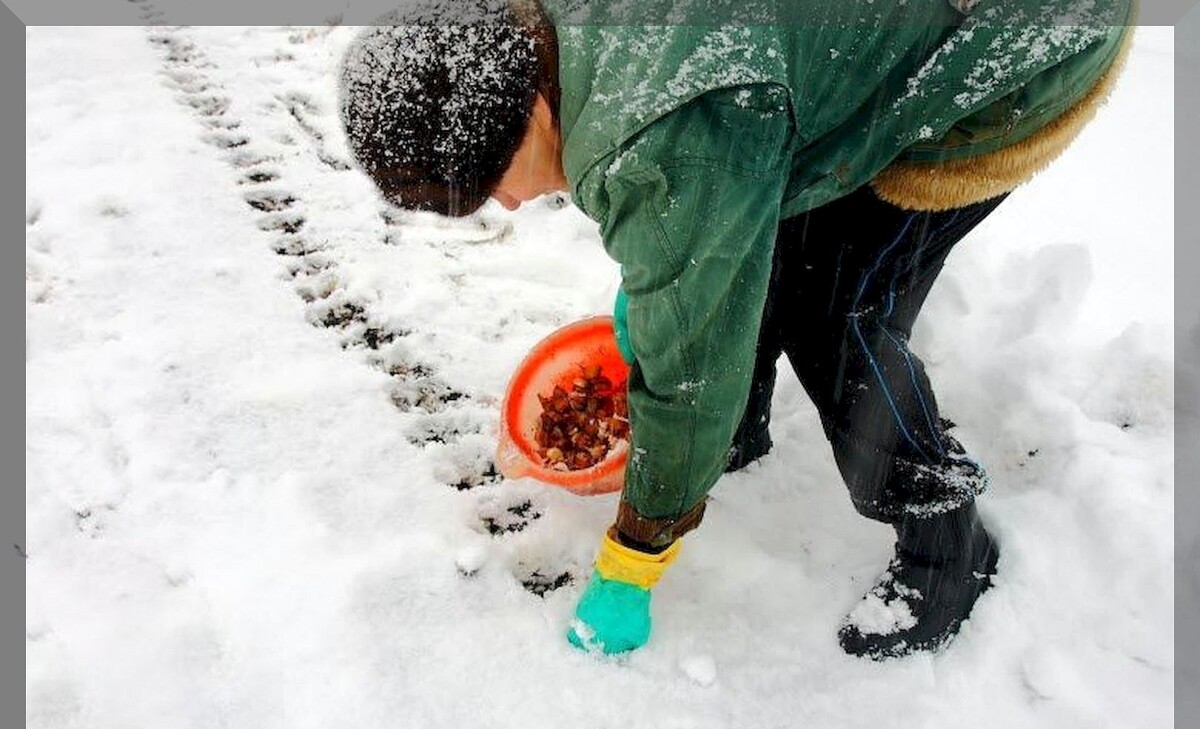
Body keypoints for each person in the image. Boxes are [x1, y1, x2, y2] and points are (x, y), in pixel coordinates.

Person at [339, 0, 1134, 659]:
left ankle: (946, 545)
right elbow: (716, 189)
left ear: (534, 107)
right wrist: (672, 295)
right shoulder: (547, 38)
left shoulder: (665, 133)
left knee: (837, 312)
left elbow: (688, 381)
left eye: (495, 180)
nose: (509, 205)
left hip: (1019, 41)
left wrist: (635, 553)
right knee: (762, 248)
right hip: (818, 46)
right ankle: (740, 432)